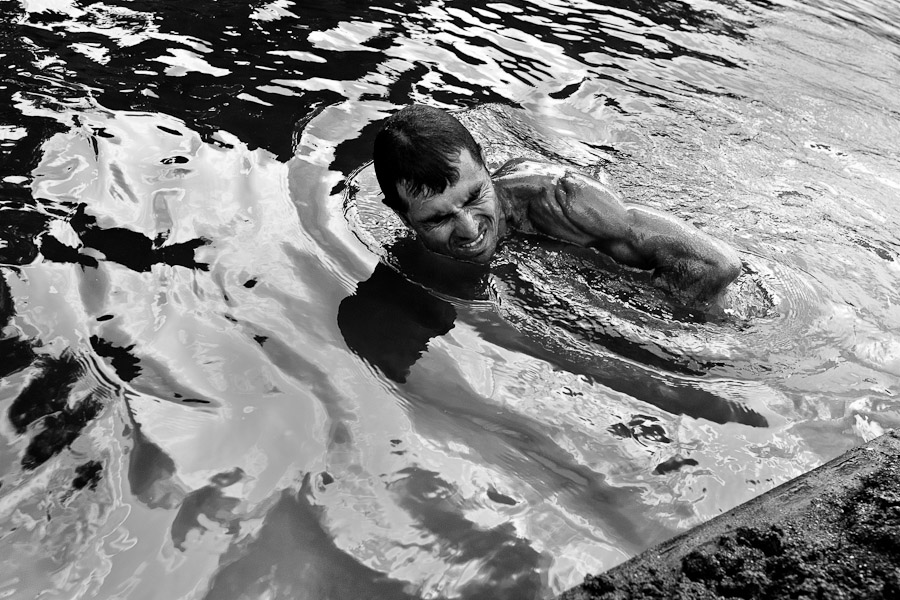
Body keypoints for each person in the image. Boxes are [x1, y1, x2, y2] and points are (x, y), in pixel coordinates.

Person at [372, 104, 742, 303]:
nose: (471, 230)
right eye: (438, 220)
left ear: (484, 165)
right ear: (401, 216)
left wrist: (644, 305)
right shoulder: (401, 251)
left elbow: (716, 265)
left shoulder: (561, 201)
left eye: (474, 197)